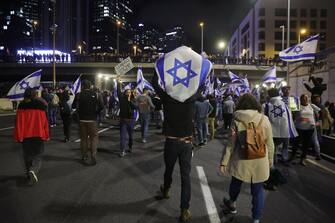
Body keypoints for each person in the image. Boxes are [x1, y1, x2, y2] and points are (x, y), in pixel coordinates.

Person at [220, 93, 274, 223]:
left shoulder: (236, 119)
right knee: (258, 191)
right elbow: (270, 143)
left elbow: (231, 144)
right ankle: (256, 219)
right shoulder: (264, 119)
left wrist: (224, 162)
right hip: (260, 160)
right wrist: (270, 160)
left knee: (236, 183)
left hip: (241, 159)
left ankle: (232, 204)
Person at [153, 74, 199, 222]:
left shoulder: (167, 98)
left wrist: (158, 66)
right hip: (186, 143)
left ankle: (165, 190)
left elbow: (155, 83)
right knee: (186, 177)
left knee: (169, 170)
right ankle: (184, 210)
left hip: (171, 142)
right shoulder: (191, 97)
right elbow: (202, 84)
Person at [14, 88, 49, 186]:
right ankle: (33, 170)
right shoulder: (41, 105)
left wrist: (18, 136)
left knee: (27, 155)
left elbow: (18, 122)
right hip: (38, 134)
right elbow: (44, 122)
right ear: (35, 95)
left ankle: (29, 174)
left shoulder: (21, 105)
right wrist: (46, 134)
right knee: (38, 154)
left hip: (25, 135)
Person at [72, 80, 104, 165]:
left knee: (84, 139)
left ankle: (84, 156)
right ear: (90, 86)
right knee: (94, 138)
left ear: (82, 86)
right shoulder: (96, 94)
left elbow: (73, 106)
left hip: (82, 120)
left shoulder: (79, 95)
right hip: (92, 120)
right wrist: (96, 112)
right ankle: (93, 154)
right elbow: (102, 106)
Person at [263, 88, 297, 165]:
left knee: (273, 146)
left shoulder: (266, 105)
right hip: (285, 129)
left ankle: (273, 162)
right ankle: (284, 159)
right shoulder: (285, 104)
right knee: (285, 146)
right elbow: (291, 115)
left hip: (272, 130)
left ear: (270, 95)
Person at [290, 94, 319, 166]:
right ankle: (292, 156)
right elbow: (291, 114)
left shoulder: (311, 106)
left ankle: (302, 159)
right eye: (304, 98)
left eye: (307, 98)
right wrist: (297, 119)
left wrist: (317, 121)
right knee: (296, 143)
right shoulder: (297, 106)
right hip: (299, 128)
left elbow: (318, 113)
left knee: (306, 144)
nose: (305, 99)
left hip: (310, 128)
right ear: (301, 99)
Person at [117, 78, 137, 157]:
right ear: (125, 93)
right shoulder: (121, 99)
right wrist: (118, 82)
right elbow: (118, 91)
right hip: (123, 120)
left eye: (130, 92)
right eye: (127, 92)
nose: (128, 93)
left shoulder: (133, 100)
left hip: (131, 121)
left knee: (131, 136)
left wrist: (130, 101)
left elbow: (135, 107)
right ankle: (122, 151)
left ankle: (130, 147)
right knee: (123, 136)